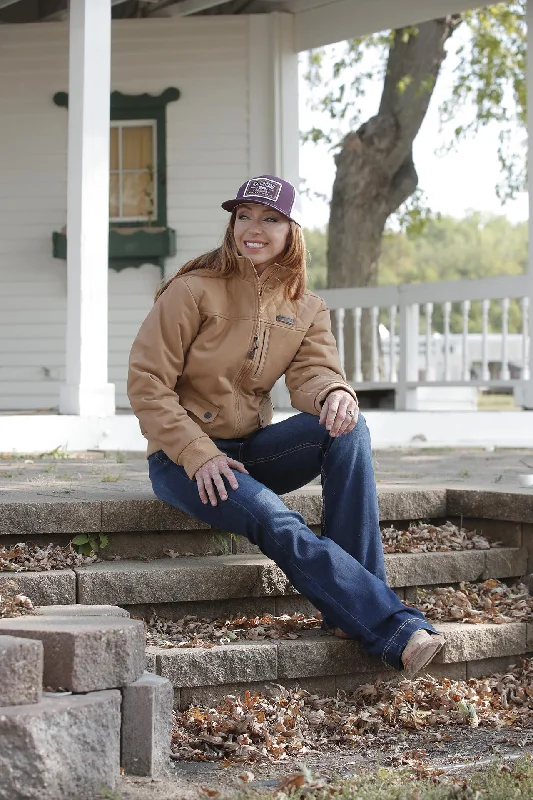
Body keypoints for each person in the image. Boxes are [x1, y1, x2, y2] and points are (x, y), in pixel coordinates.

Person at [127, 174, 444, 677]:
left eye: (269, 218)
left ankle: (350, 613)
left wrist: (334, 393)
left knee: (348, 429)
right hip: (184, 460)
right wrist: (198, 451)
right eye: (244, 216)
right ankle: (391, 628)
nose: (253, 228)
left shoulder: (306, 306)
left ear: (291, 229)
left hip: (251, 451)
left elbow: (312, 374)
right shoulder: (191, 290)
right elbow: (147, 383)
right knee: (278, 521)